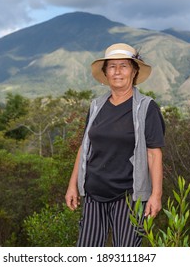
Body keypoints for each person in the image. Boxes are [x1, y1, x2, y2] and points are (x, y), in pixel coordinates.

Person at [65, 43, 165, 247]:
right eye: (112, 66)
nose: (117, 71)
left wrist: (156, 195)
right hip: (94, 193)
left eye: (124, 66)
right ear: (105, 73)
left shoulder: (146, 108)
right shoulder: (96, 106)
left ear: (134, 71)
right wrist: (72, 185)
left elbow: (154, 154)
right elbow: (84, 147)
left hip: (129, 195)